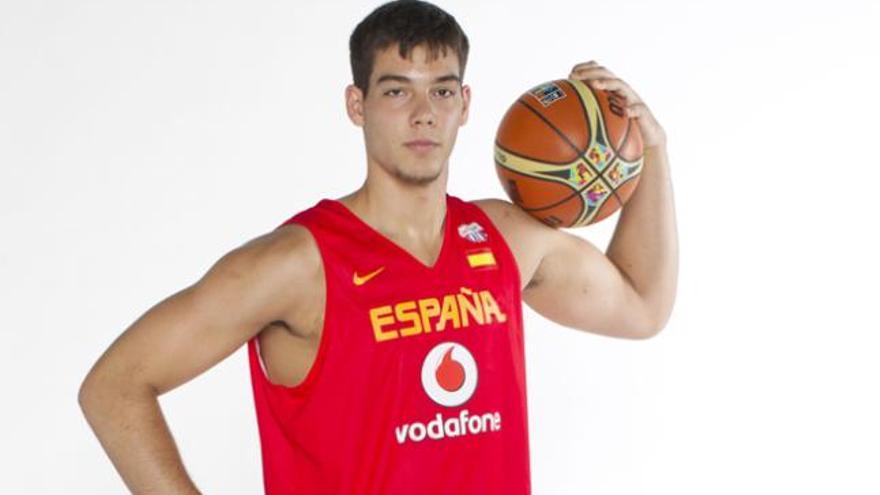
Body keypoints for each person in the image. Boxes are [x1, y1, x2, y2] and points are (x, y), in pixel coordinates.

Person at [78, 1, 678, 493]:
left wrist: (652, 151)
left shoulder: (506, 239)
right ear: (357, 105)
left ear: (464, 106)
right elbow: (115, 386)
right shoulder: (297, 262)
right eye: (396, 92)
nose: (423, 114)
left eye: (442, 92)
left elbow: (643, 304)